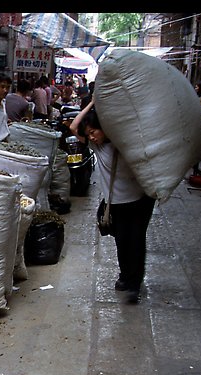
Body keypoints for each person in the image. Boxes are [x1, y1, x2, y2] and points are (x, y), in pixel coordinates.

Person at [70, 100, 155, 304]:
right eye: (88, 133)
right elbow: (74, 127)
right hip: (116, 203)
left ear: (104, 128)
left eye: (94, 131)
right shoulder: (95, 146)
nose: (91, 136)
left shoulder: (124, 143)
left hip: (139, 201)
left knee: (136, 241)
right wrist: (93, 102)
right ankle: (125, 276)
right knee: (121, 241)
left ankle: (134, 285)